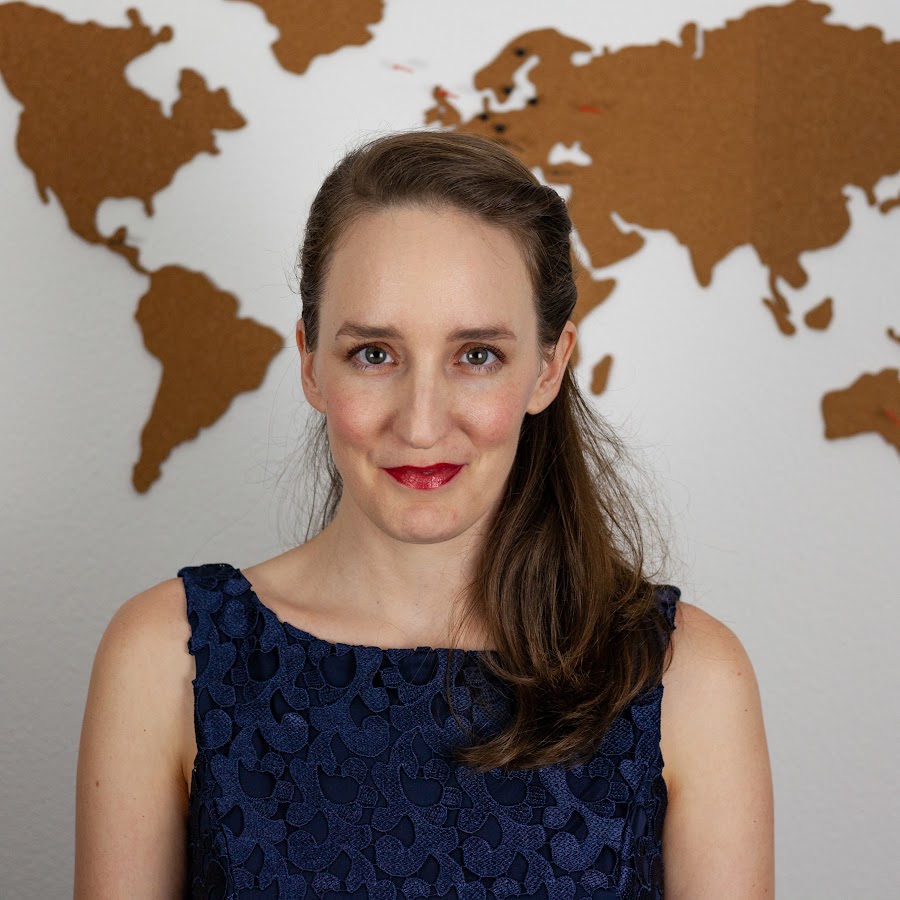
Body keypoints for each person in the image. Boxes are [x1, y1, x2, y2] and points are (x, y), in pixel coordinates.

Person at [74, 129, 774, 898]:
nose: (420, 424)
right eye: (374, 354)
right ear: (310, 362)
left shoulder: (690, 678)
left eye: (477, 355)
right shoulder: (165, 659)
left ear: (549, 366)